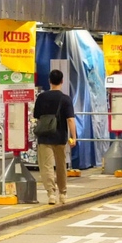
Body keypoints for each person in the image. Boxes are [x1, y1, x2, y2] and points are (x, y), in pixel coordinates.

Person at [33, 70, 77, 205]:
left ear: (49, 81)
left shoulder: (41, 97)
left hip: (44, 137)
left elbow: (37, 117)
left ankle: (51, 194)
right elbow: (70, 120)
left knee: (46, 166)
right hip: (60, 137)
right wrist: (73, 137)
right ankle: (63, 194)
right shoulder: (65, 99)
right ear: (62, 81)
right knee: (61, 165)